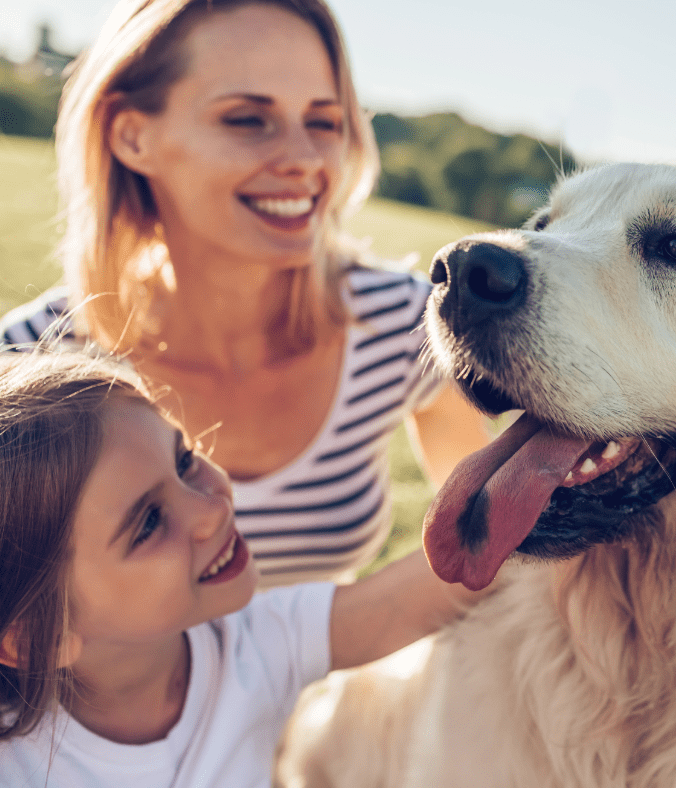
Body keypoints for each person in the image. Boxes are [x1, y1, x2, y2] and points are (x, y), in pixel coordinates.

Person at [0, 0, 493, 587]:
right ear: (131, 136)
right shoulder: (28, 365)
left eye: (324, 122)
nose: (306, 160)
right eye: (246, 119)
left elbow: (487, 553)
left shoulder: (408, 323)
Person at [0, 349, 482, 786]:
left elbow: (415, 596)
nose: (212, 510)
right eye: (148, 523)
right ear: (35, 635)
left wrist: (535, 485)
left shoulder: (254, 645)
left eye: (184, 459)